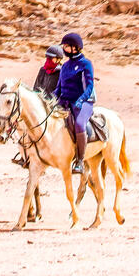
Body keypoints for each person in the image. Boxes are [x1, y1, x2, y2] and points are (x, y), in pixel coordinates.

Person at [12, 45, 68, 169]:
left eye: (51, 58)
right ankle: (25, 155)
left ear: (58, 60)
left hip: (55, 106)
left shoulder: (61, 72)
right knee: (25, 125)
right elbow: (36, 88)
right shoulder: (43, 71)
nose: (48, 60)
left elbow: (61, 91)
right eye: (47, 57)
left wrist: (52, 104)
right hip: (40, 106)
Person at [52, 33, 95, 174]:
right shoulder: (64, 66)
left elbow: (89, 86)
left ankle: (80, 161)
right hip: (64, 102)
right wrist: (50, 99)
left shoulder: (86, 64)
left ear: (75, 47)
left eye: (66, 46)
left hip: (82, 103)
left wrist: (81, 100)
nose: (63, 49)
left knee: (78, 124)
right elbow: (59, 88)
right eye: (63, 46)